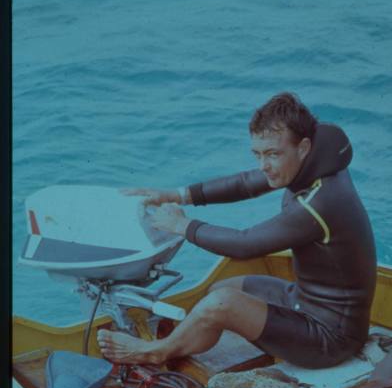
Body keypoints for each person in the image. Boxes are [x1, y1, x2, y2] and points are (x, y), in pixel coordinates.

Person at [97, 92, 377, 369]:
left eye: (272, 155)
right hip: (301, 299)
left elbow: (245, 244)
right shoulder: (312, 159)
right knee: (221, 289)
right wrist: (174, 194)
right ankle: (186, 343)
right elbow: (246, 183)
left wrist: (183, 226)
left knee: (222, 303)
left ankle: (156, 352)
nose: (263, 165)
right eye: (257, 154)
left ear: (303, 147)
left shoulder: (320, 203)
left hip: (330, 337)